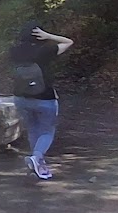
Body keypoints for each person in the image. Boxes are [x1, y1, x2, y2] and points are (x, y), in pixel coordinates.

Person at [9, 22, 73, 180]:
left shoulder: (14, 51)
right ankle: (37, 158)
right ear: (39, 34)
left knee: (32, 129)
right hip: (45, 97)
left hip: (21, 97)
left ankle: (37, 161)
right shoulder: (45, 50)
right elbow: (68, 42)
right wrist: (49, 36)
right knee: (46, 131)